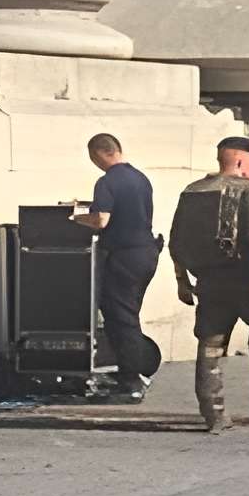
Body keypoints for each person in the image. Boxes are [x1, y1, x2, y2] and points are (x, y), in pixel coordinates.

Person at [168, 133, 249, 433]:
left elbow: (176, 241)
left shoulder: (191, 191)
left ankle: (214, 414)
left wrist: (182, 280)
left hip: (209, 282)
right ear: (239, 160)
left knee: (210, 347)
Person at [71, 132, 162, 400]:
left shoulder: (107, 181)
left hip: (124, 256)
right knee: (128, 314)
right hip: (147, 253)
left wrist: (76, 218)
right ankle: (131, 369)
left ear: (96, 154)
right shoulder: (141, 179)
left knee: (121, 318)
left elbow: (101, 220)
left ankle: (132, 380)